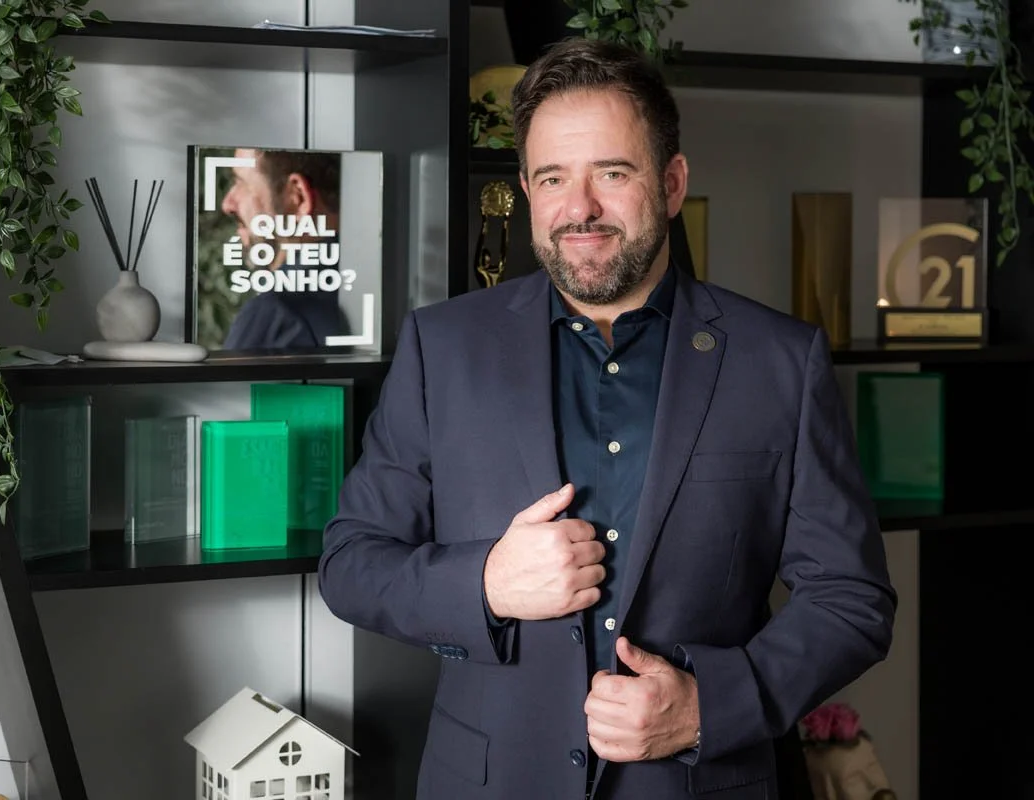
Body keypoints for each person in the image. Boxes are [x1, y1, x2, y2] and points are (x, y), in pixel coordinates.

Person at [318, 37, 896, 800]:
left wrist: (710, 705)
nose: (579, 207)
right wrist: (485, 581)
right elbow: (352, 564)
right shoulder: (443, 347)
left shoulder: (781, 362)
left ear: (672, 182)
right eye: (553, 177)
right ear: (526, 188)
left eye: (612, 173)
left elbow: (851, 597)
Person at [219, 148, 349, 351]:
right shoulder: (383, 283)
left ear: (297, 197)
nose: (227, 204)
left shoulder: (278, 315)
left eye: (240, 183)